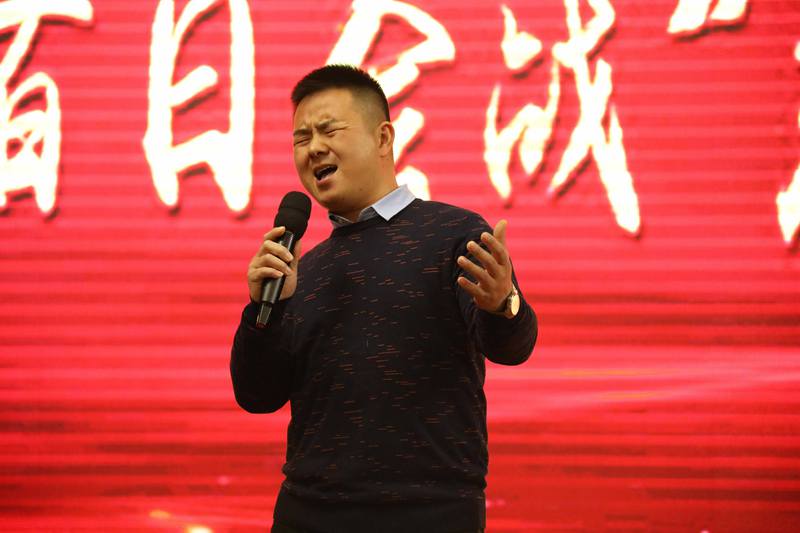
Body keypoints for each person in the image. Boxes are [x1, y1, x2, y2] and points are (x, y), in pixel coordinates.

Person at [230, 64, 537, 533]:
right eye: (301, 138)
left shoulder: (454, 234)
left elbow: (512, 347)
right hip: (308, 512)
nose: (314, 148)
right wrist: (263, 311)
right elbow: (256, 395)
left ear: (383, 138)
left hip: (430, 514)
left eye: (329, 130)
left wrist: (502, 304)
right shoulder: (301, 270)